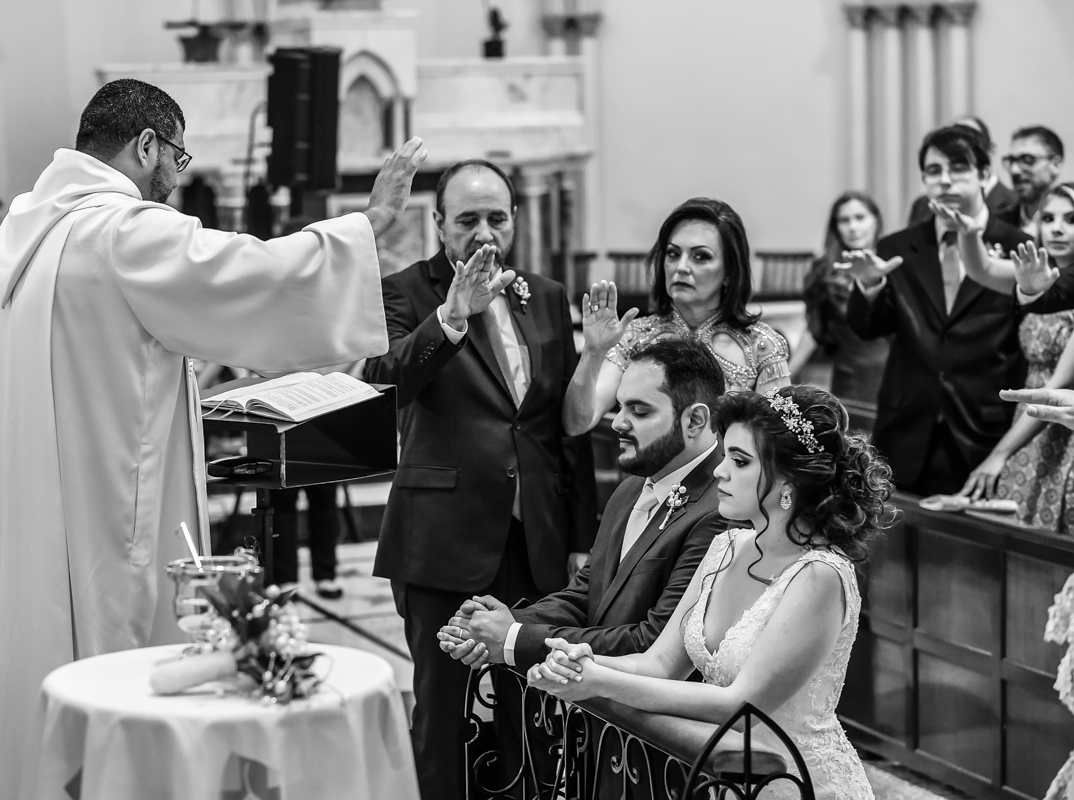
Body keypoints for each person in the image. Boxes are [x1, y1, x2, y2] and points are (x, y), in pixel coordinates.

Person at [0, 78, 425, 800]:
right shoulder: (120, 229)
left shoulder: (24, 234)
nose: (173, 180)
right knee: (118, 667)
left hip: (41, 515)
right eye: (176, 158)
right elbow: (247, 271)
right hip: (109, 516)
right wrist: (366, 225)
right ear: (146, 144)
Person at [527, 385, 895, 800]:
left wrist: (600, 683)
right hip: (715, 774)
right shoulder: (727, 545)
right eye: (725, 456)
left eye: (739, 461)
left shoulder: (820, 577)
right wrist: (583, 664)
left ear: (789, 481)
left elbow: (740, 706)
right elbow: (661, 662)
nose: (719, 471)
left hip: (791, 781)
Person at [362, 157, 596, 800]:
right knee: (444, 710)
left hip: (537, 537)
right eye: (467, 219)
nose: (483, 232)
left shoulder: (544, 295)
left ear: (515, 220)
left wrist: (581, 534)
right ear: (439, 225)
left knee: (536, 708)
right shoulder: (407, 291)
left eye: (496, 217)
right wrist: (452, 318)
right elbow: (385, 378)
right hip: (444, 539)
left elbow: (559, 428)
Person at [438, 338, 728, 670]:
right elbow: (585, 593)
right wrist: (497, 624)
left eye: (639, 410)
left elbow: (652, 641)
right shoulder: (631, 487)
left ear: (694, 421)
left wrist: (514, 639)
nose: (618, 422)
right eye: (619, 407)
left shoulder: (720, 511)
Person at [843, 124, 1032, 495]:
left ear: (983, 174)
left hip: (983, 428)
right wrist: (868, 286)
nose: (945, 180)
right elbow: (869, 328)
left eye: (957, 168)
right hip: (906, 427)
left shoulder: (1017, 246)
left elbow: (1026, 342)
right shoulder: (899, 246)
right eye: (933, 171)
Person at [562, 197, 790, 436]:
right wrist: (593, 352)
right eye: (673, 254)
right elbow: (576, 423)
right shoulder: (634, 337)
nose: (681, 267)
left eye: (700, 256)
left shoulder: (760, 347)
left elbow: (773, 444)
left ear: (729, 273)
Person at [958, 184, 1074, 532]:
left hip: (1060, 420)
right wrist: (967, 233)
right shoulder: (1040, 269)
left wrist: (1000, 453)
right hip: (1028, 418)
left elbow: (1057, 385)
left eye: (1070, 220)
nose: (1057, 228)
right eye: (1049, 218)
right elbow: (983, 270)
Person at [798, 192, 890, 405]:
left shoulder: (892, 263)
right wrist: (784, 373)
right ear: (835, 226)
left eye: (860, 218)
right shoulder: (825, 271)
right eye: (844, 220)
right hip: (851, 376)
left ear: (876, 220)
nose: (853, 227)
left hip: (895, 371)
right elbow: (814, 331)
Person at [906, 116, 1017, 226]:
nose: (945, 180)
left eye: (959, 169)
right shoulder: (923, 205)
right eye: (934, 171)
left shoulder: (1013, 202)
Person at [1000, 125, 1064, 238]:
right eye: (1011, 161)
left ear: (1055, 164)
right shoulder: (1000, 223)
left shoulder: (1068, 224)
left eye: (1027, 160)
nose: (1015, 170)